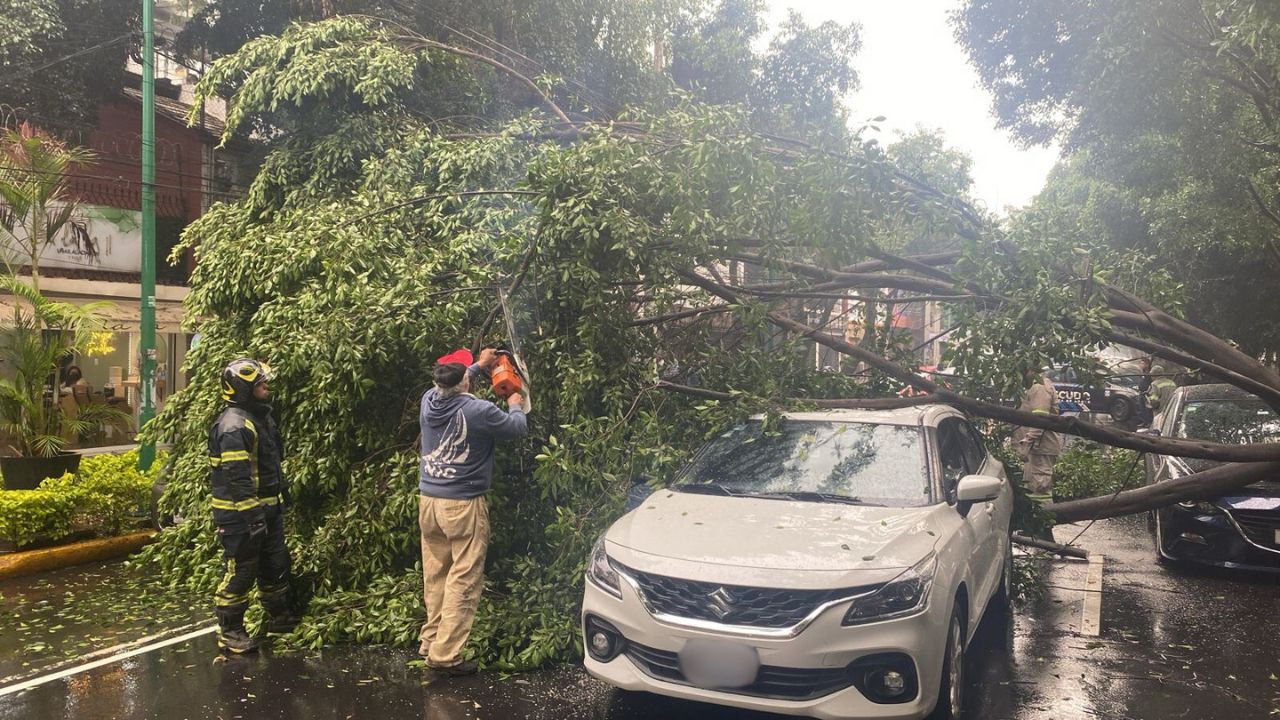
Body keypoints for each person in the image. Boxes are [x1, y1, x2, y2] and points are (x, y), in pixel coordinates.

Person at [418, 347, 528, 676]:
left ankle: (431, 639)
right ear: (464, 380)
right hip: (462, 505)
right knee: (463, 578)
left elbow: (461, 378)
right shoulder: (479, 410)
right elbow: (515, 429)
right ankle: (445, 656)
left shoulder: (427, 401)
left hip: (429, 502)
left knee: (436, 574)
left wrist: (479, 365)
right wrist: (514, 404)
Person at [208, 358, 297, 654]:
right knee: (242, 570)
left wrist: (280, 497)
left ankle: (279, 618)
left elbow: (270, 465)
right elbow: (237, 478)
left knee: (275, 564)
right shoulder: (234, 426)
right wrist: (252, 516)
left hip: (266, 510)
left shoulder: (260, 418)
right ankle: (230, 631)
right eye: (260, 383)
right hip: (240, 516)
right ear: (243, 388)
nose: (265, 386)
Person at [1012, 368, 1063, 522]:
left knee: (1040, 487)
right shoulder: (1033, 386)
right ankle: (1037, 523)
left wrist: (1026, 443)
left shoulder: (1039, 388)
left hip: (1040, 447)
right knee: (1033, 486)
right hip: (1037, 448)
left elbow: (1039, 421)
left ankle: (1044, 524)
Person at [1146, 358, 1179, 425]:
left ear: (1153, 375)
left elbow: (1154, 402)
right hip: (1172, 409)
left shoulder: (1154, 384)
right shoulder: (1172, 383)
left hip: (1160, 412)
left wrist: (1147, 397)